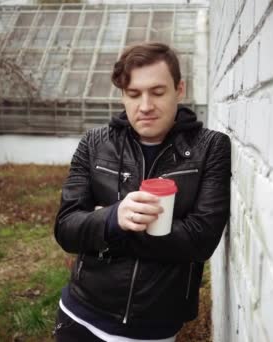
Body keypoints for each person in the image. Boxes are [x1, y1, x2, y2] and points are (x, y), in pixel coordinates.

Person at [53, 42, 231, 341]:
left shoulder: (211, 147)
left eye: (158, 92)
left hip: (153, 327)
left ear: (180, 89)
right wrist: (113, 218)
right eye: (134, 94)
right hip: (80, 315)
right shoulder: (94, 143)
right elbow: (66, 228)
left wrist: (107, 228)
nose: (145, 106)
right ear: (123, 95)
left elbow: (200, 241)